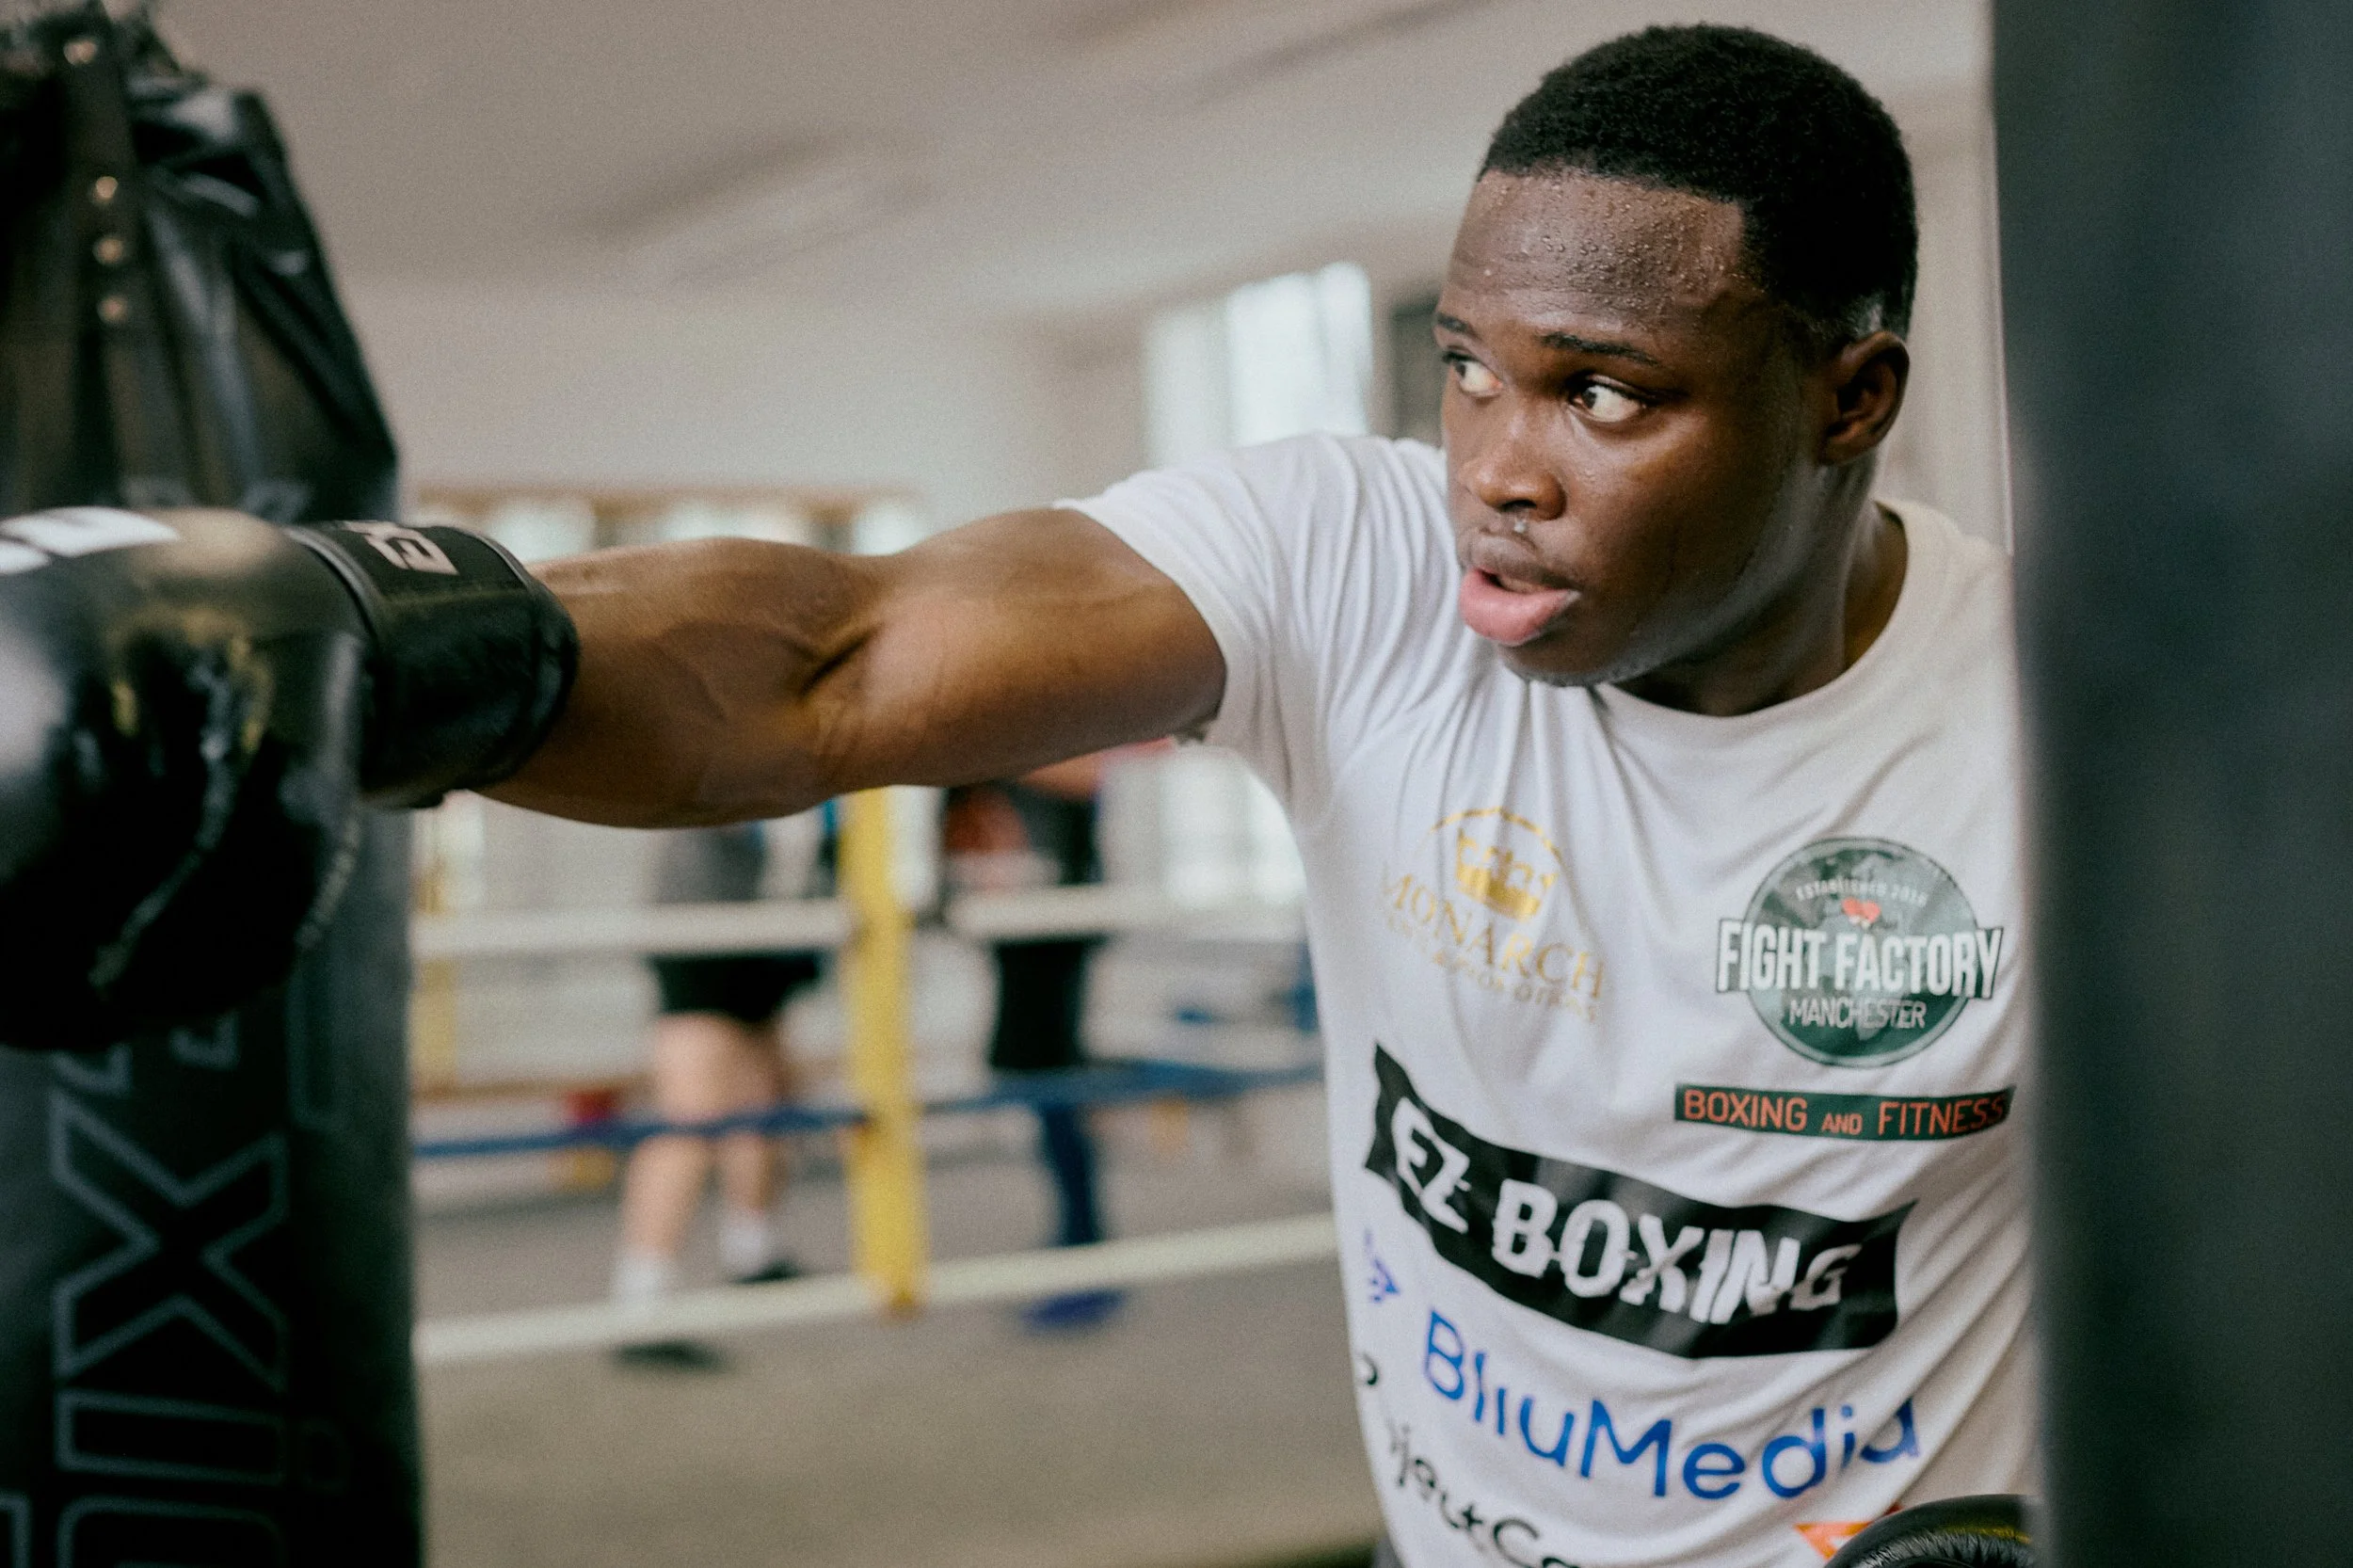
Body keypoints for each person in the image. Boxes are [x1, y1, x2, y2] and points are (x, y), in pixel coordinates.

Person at [1, 24, 2036, 1566]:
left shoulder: (2053, 738)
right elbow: (836, 656)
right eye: (1466, 365)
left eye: (1601, 390)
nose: (1496, 459)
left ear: (1845, 398)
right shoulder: (1358, 557)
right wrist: (373, 628)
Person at [610, 817, 827, 1364]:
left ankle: (751, 1252)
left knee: (767, 1096)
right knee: (691, 1120)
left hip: (760, 929)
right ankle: (640, 1304)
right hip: (702, 933)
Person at [945, 755, 1122, 1331]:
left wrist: (995, 742)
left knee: (1048, 1079)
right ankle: (1077, 1242)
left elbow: (1097, 774)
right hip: (1024, 910)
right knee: (1031, 1076)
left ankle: (1086, 1251)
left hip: (1057, 914)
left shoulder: (1056, 713)